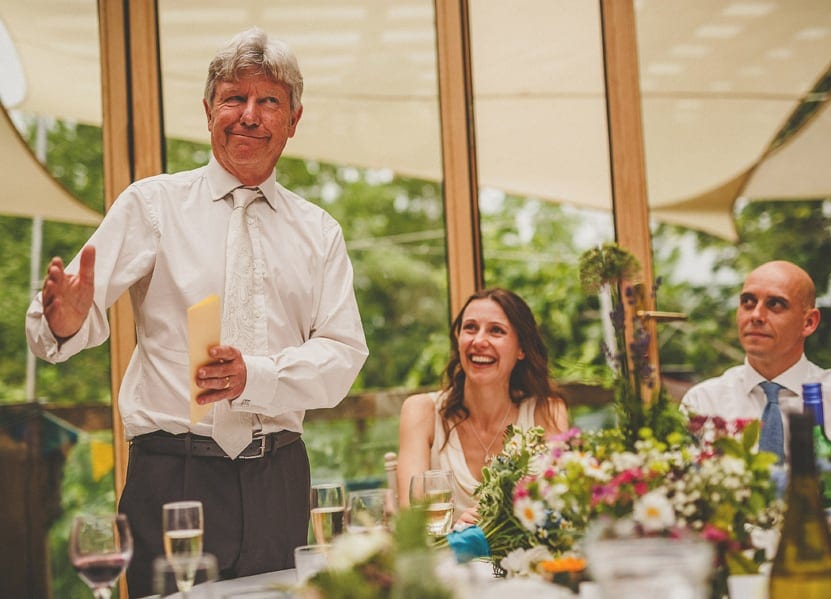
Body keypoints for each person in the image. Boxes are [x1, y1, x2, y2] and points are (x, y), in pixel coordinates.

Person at [25, 28, 368, 595]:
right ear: (208, 110)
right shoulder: (151, 205)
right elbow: (66, 324)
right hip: (170, 475)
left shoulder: (319, 232)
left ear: (294, 119)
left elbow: (342, 356)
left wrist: (252, 377)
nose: (249, 115)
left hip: (278, 477)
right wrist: (63, 319)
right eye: (234, 97)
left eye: (269, 101)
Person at [681, 260, 831, 520]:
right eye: (748, 302)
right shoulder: (703, 402)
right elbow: (683, 502)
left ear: (809, 322)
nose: (756, 315)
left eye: (775, 304)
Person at [397, 288, 568, 526]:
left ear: (522, 349)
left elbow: (556, 506)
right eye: (470, 328)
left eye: (496, 331)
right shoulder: (421, 411)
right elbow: (411, 521)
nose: (478, 341)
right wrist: (457, 535)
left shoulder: (546, 411)